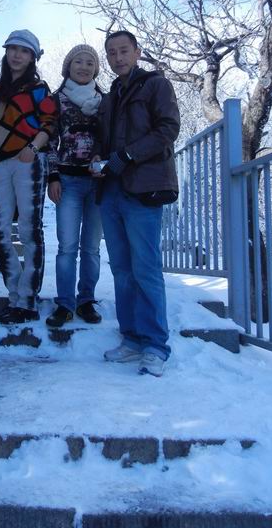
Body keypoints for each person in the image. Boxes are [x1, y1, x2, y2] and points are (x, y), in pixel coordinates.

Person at [93, 30, 180, 377]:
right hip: (111, 190)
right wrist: (99, 157)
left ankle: (155, 345)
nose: (118, 58)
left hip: (143, 189)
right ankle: (131, 338)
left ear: (137, 52)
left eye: (123, 51)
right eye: (111, 53)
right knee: (121, 268)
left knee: (146, 267)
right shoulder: (110, 95)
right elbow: (104, 138)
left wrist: (127, 156)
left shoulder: (156, 85)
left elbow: (168, 129)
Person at [0, 29, 57, 324]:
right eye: (13, 49)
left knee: (28, 229)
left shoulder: (39, 89)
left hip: (28, 161)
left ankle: (27, 300)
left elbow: (50, 122)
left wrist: (33, 148)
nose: (17, 55)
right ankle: (14, 295)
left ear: (32, 57)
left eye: (24, 51)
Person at [46, 44, 104, 328]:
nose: (84, 67)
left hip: (98, 182)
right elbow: (49, 141)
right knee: (67, 247)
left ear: (96, 69)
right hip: (67, 182)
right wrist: (53, 176)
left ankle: (86, 300)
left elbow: (111, 138)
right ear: (68, 66)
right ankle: (65, 303)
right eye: (78, 61)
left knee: (91, 248)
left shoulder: (105, 100)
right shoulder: (57, 100)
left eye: (90, 63)